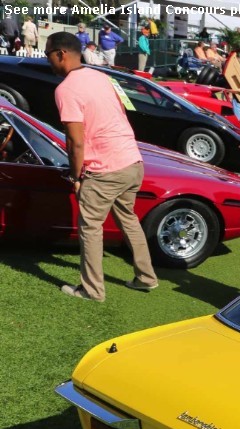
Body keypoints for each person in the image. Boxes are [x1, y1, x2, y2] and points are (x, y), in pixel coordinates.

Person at [45, 32, 158, 301]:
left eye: (48, 54)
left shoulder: (66, 89)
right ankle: (146, 278)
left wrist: (76, 176)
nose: (47, 60)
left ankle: (92, 290)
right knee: (129, 220)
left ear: (61, 54)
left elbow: (75, 142)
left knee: (90, 228)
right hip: (132, 161)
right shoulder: (102, 77)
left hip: (104, 169)